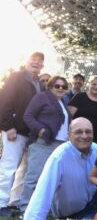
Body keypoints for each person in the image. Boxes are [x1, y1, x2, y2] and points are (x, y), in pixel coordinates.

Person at [24, 117, 97, 220]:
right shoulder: (59, 158)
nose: (84, 136)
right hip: (71, 215)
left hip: (95, 208)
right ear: (69, 135)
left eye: (88, 132)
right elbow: (43, 193)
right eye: (78, 132)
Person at [19, 76, 71, 216]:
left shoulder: (62, 103)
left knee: (56, 179)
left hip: (60, 145)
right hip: (43, 144)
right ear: (50, 86)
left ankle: (54, 212)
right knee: (34, 177)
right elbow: (28, 115)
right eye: (57, 85)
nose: (61, 88)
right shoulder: (42, 97)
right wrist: (41, 130)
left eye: (64, 86)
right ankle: (25, 210)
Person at [0, 52, 44, 217]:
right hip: (14, 131)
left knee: (24, 170)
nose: (36, 62)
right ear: (26, 61)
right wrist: (8, 126)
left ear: (42, 66)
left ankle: (14, 201)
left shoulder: (39, 83)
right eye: (33, 59)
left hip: (31, 134)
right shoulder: (16, 77)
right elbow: (4, 100)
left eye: (39, 61)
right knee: (9, 167)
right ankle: (1, 202)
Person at [68, 76, 97, 145]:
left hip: (95, 139)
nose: (96, 87)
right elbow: (69, 116)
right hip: (78, 136)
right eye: (94, 84)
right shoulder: (79, 97)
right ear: (89, 84)